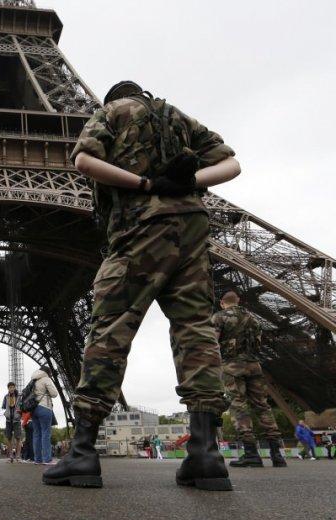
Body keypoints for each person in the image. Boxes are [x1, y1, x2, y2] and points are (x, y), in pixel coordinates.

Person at [44, 80, 241, 492]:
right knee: (196, 330)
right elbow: (231, 165)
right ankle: (206, 453)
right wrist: (187, 183)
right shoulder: (176, 116)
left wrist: (146, 185)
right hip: (191, 228)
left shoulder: (113, 111)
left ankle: (82, 451)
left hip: (141, 228)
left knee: (110, 328)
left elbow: (84, 161)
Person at [213, 290, 286, 468]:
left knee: (238, 405)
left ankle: (251, 454)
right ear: (238, 300)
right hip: (254, 365)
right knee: (262, 405)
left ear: (222, 303)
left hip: (232, 366)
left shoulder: (219, 317)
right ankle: (277, 455)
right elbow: (258, 344)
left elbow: (213, 343)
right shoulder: (253, 319)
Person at [27, 367, 58, 466]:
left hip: (33, 409)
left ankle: (38, 459)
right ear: (47, 372)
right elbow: (54, 394)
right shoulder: (46, 379)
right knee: (46, 433)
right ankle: (47, 459)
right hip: (44, 407)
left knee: (36, 434)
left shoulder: (33, 380)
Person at [2, 382, 22, 462]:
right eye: (10, 387)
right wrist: (5, 413)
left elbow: (22, 405)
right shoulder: (6, 397)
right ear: (8, 388)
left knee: (18, 438)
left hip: (16, 419)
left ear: (15, 387)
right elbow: (3, 406)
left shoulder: (19, 396)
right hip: (8, 419)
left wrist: (19, 413)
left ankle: (18, 455)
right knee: (8, 438)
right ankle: (11, 455)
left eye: (13, 387)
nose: (11, 389)